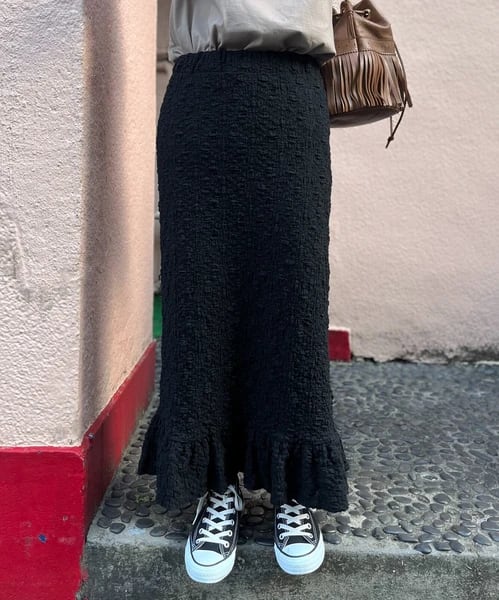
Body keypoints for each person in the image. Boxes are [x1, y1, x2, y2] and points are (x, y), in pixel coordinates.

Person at [137, 0, 350, 584]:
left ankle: (294, 482)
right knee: (198, 295)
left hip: (292, 92)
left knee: (295, 292)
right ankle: (215, 485)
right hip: (203, 91)